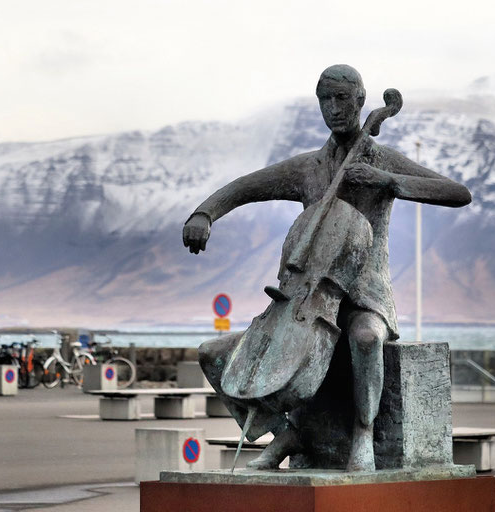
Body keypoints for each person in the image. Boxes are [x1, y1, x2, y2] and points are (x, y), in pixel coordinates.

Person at [182, 64, 471, 471]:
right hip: (306, 296)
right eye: (324, 99)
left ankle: (364, 435)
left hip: (365, 293)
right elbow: (246, 186)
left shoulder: (381, 160)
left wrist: (386, 180)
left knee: (367, 338)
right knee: (212, 355)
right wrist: (205, 213)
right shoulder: (307, 168)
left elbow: (457, 193)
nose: (333, 108)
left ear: (359, 101)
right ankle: (288, 434)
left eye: (341, 98)